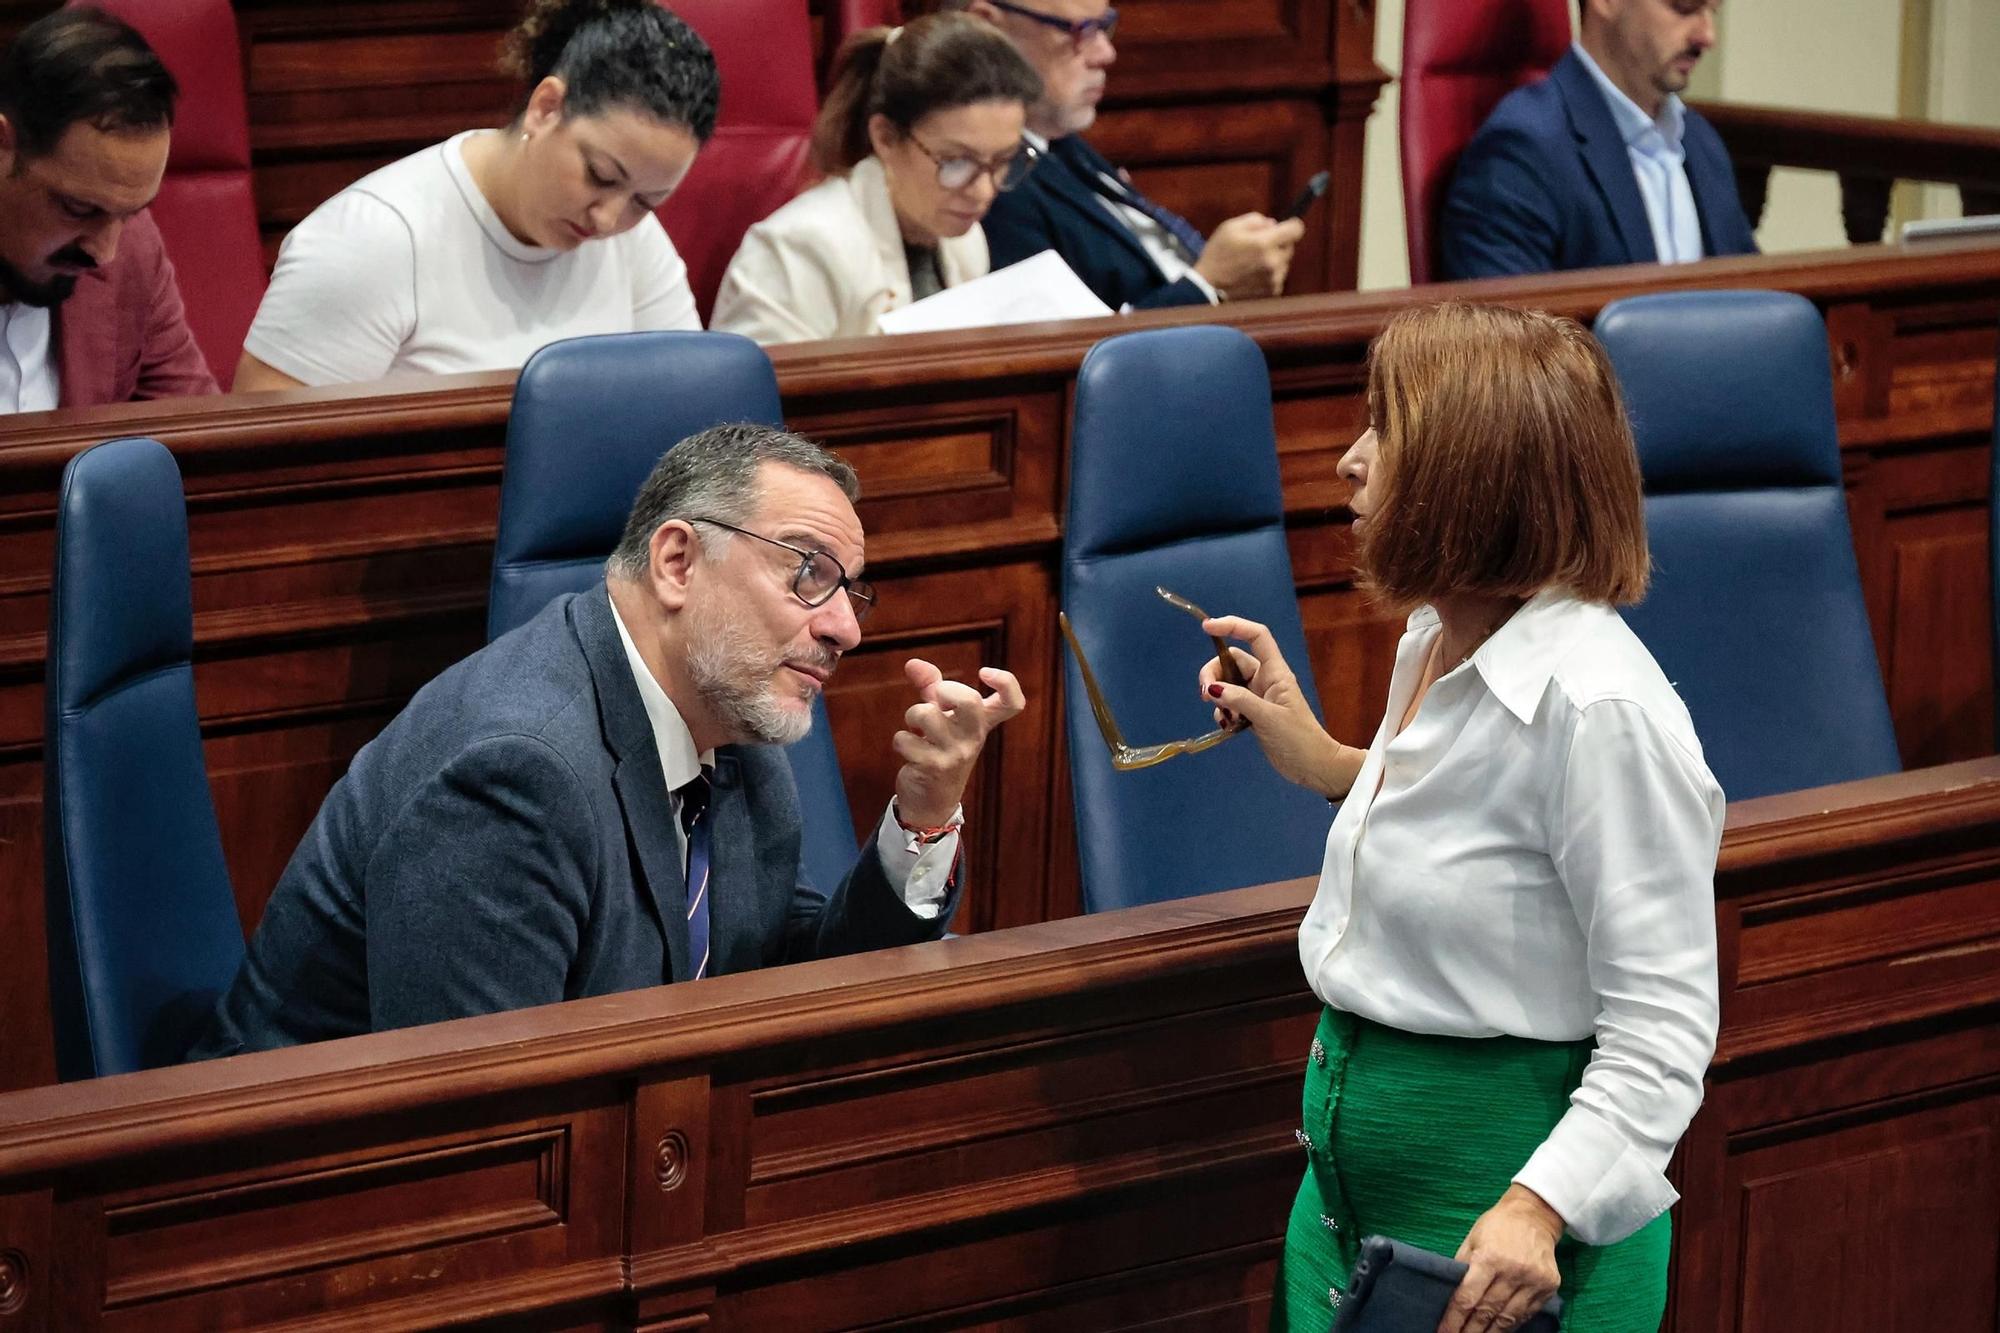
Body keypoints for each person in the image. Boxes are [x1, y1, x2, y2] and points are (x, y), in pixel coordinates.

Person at [1199, 304, 1723, 1332]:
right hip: (1347, 1221)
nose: (1348, 462)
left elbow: (1663, 1026)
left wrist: (1539, 1205)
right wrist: (1326, 762)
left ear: (1474, 470)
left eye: (1382, 433)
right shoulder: (1434, 637)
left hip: (1506, 1247)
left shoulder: (1599, 709)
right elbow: (1486, 850)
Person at [189, 422, 1025, 1056]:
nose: (844, 626)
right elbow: (473, 1133)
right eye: (808, 571)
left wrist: (922, 817)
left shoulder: (736, 733)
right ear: (676, 562)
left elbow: (800, 976)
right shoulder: (514, 770)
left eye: (851, 590)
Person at [233, 0, 716, 392]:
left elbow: (686, 407)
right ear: (546, 109)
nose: (610, 219)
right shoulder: (374, 238)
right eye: (600, 175)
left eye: (646, 201)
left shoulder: (634, 239)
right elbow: (266, 461)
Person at [710, 14, 1042, 345]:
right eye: (955, 162)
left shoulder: (964, 242)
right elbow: (754, 395)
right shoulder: (801, 248)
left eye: (1002, 160)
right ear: (885, 138)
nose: (983, 191)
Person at [949, 0, 1302, 310]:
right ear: (987, 26)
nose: (1106, 53)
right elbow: (1061, 357)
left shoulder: (1059, 142)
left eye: (1104, 26)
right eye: (1081, 30)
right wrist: (1210, 287)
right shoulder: (988, 182)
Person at [1440, 0, 1756, 280]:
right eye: (1684, 7)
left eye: (1712, 11)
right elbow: (1511, 341)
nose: (1707, 36)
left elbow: (1755, 302)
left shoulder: (1701, 142)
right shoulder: (1520, 152)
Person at [0, 7, 213, 412]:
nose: (105, 252)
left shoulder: (134, 249)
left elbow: (194, 438)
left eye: (131, 213)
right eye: (78, 208)